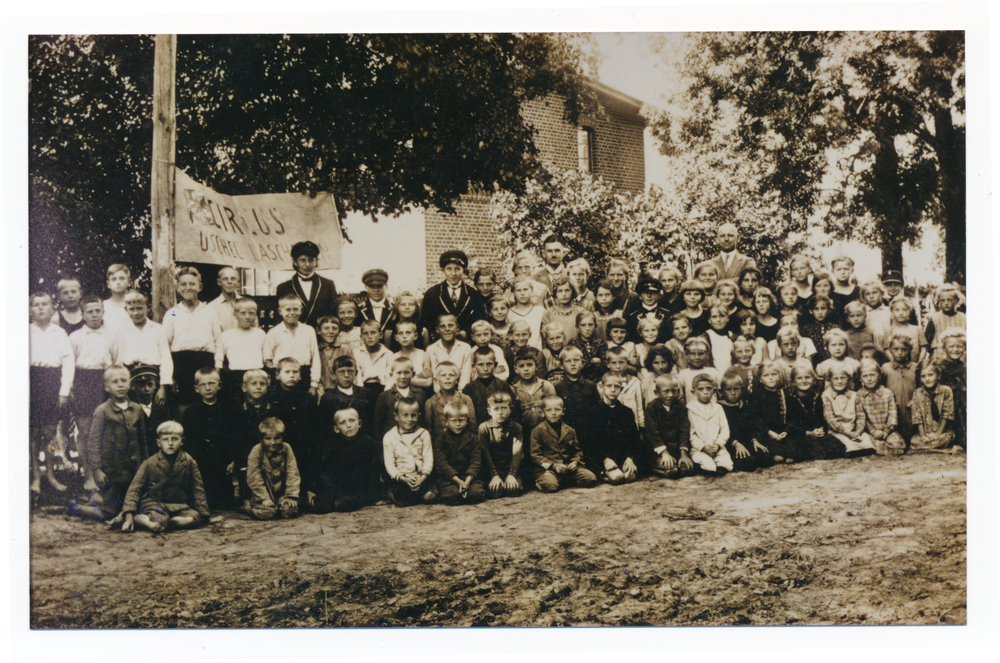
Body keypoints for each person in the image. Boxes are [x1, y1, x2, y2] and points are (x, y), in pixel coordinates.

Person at [73, 365, 148, 519]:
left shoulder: (137, 409)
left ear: (130, 384)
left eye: (124, 380)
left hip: (134, 470)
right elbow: (94, 442)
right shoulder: (102, 411)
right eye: (115, 382)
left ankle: (99, 501)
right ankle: (77, 508)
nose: (120, 385)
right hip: (112, 473)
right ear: (106, 387)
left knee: (137, 507)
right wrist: (97, 470)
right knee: (110, 513)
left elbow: (143, 441)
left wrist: (146, 466)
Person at [110, 420, 209, 533]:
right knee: (159, 522)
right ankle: (141, 520)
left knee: (193, 518)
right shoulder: (149, 463)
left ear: (182, 441)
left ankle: (166, 522)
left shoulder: (189, 461)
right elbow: (134, 490)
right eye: (165, 440)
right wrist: (128, 516)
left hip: (178, 505)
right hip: (153, 503)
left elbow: (198, 489)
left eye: (174, 439)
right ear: (158, 443)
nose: (170, 443)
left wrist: (204, 515)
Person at [29, 292, 75, 493]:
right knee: (33, 433)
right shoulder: (24, 332)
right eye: (36, 305)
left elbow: (68, 362)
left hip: (51, 382)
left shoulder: (59, 333)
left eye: (44, 304)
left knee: (49, 432)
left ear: (52, 309)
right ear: (30, 310)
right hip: (31, 382)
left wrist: (64, 390)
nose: (40, 308)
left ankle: (50, 475)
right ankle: (36, 477)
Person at [69, 296, 119, 464]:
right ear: (82, 315)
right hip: (83, 382)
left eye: (98, 311)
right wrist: (71, 388)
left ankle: (104, 470)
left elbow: (117, 362)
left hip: (105, 381)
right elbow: (69, 365)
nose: (94, 315)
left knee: (105, 428)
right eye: (90, 312)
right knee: (85, 431)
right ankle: (89, 474)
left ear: (103, 312)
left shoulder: (112, 336)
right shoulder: (75, 337)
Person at [163, 267, 223, 406]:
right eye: (183, 284)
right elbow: (165, 345)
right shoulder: (172, 313)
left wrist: (217, 368)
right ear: (177, 288)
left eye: (192, 284)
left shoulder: (210, 312)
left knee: (206, 403)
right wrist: (170, 374)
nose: (188, 288)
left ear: (200, 287)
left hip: (205, 362)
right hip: (180, 364)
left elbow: (218, 342)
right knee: (182, 405)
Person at [310, 408, 383, 513]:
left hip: (360, 487)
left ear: (359, 423)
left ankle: (340, 503)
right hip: (338, 486)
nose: (348, 425)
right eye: (343, 423)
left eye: (352, 420)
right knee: (324, 502)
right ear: (336, 429)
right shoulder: (331, 445)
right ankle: (317, 503)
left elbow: (374, 470)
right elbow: (321, 469)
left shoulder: (369, 443)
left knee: (351, 501)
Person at [180, 368, 230, 509]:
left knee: (226, 502)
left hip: (222, 459)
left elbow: (234, 437)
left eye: (212, 383)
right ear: (196, 388)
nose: (207, 388)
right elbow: (188, 440)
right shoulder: (190, 412)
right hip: (201, 460)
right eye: (203, 385)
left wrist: (232, 459)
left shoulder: (227, 410)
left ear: (219, 385)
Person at [228, 369, 277, 508]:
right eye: (253, 383)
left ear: (267, 388)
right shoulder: (238, 412)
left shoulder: (273, 410)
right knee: (245, 468)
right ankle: (246, 500)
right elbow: (234, 438)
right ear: (244, 388)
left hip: (268, 453)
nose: (258, 386)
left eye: (262, 383)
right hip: (246, 455)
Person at [529, 395, 598, 493]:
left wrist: (574, 462)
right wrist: (553, 466)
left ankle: (566, 480)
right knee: (550, 485)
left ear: (563, 411)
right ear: (543, 413)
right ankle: (543, 483)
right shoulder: (537, 431)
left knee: (590, 478)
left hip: (568, 468)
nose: (553, 413)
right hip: (549, 470)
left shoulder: (570, 430)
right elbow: (535, 455)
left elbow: (578, 452)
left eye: (557, 409)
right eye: (549, 410)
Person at [116, 290, 173, 405]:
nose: (136, 313)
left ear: (148, 308)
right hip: (131, 378)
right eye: (132, 309)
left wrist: (162, 387)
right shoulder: (122, 331)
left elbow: (166, 358)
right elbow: (119, 360)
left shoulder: (158, 329)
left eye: (140, 308)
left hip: (153, 377)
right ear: (126, 309)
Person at [588, 373, 644, 484]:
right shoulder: (593, 412)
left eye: (616, 386)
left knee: (629, 477)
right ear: (601, 387)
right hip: (604, 458)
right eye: (609, 386)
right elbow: (591, 442)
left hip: (622, 457)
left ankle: (621, 468)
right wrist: (605, 459)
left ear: (621, 388)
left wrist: (629, 457)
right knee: (617, 478)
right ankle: (602, 473)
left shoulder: (627, 412)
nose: (613, 390)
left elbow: (633, 438)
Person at [784, 361, 846, 461]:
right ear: (793, 382)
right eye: (799, 378)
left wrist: (820, 429)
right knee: (803, 446)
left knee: (839, 446)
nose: (804, 381)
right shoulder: (790, 399)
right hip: (801, 434)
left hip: (816, 433)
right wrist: (808, 433)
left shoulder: (817, 397)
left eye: (807, 377)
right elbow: (791, 425)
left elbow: (821, 418)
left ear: (814, 380)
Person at [382, 397, 437, 506]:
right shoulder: (390, 436)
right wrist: (403, 478)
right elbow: (390, 465)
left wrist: (423, 477)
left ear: (418, 415)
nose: (410, 419)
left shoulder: (423, 434)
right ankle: (398, 494)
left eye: (413, 415)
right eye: (405, 415)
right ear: (396, 417)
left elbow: (428, 458)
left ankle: (417, 495)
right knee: (402, 497)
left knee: (431, 495)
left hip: (420, 477)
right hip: (402, 478)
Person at [263, 292, 321, 394]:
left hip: (304, 374)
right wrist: (281, 368)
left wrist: (314, 384)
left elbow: (315, 357)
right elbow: (267, 359)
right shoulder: (274, 332)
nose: (292, 313)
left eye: (295, 309)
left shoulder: (309, 330)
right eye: (288, 310)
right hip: (282, 377)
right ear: (280, 311)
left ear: (301, 310)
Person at [214, 296, 266, 407]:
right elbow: (219, 357)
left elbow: (266, 357)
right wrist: (217, 374)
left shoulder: (260, 334)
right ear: (235, 315)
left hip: (257, 376)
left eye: (251, 313)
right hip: (235, 378)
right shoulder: (226, 335)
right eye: (243, 313)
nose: (247, 317)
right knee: (236, 408)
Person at [244, 417, 301, 520]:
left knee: (289, 511)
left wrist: (290, 496)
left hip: (281, 493)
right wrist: (264, 498)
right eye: (268, 438)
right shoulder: (257, 451)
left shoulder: (287, 448)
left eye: (277, 438)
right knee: (266, 514)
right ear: (261, 439)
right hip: (262, 494)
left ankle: (279, 506)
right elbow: (254, 477)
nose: (273, 442)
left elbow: (292, 472)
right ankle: (248, 506)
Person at [275, 240, 339, 329]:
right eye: (302, 260)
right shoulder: (284, 287)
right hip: (294, 334)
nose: (307, 265)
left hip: (321, 335)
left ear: (316, 261)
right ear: (295, 262)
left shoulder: (327, 285)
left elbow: (333, 313)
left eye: (311, 260)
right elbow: (279, 317)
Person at [432, 402, 486, 505]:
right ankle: (458, 492)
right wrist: (458, 480)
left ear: (467, 421)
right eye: (453, 421)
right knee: (452, 496)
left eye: (461, 420)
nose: (457, 424)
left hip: (470, 477)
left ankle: (467, 490)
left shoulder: (474, 439)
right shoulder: (440, 440)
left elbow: (476, 461)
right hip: (450, 479)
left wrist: (468, 480)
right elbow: (442, 464)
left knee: (476, 494)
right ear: (446, 422)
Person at [421, 250, 481, 340]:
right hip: (440, 343)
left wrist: (467, 332)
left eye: (457, 269)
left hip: (466, 342)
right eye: (449, 269)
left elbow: (479, 319)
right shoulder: (432, 293)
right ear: (443, 270)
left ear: (463, 270)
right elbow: (426, 322)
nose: (453, 273)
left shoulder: (473, 294)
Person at [718, 370, 770, 472]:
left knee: (766, 457)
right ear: (722, 392)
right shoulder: (720, 408)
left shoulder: (745, 405)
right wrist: (736, 443)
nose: (733, 393)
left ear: (742, 390)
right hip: (731, 444)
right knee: (749, 463)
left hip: (747, 442)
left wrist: (754, 440)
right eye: (728, 390)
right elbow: (721, 431)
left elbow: (752, 425)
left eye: (736, 389)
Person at [644, 373, 694, 479]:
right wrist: (664, 453)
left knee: (686, 468)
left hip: (676, 450)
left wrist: (683, 454)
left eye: (674, 391)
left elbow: (684, 430)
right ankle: (653, 469)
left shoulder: (680, 406)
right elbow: (653, 433)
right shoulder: (651, 407)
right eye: (666, 391)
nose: (671, 395)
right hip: (658, 451)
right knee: (672, 470)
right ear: (657, 393)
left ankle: (673, 466)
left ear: (678, 392)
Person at [856, 358, 906, 456]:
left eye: (872, 375)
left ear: (879, 375)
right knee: (865, 443)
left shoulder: (887, 393)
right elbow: (861, 418)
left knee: (898, 446)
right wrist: (873, 431)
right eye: (865, 376)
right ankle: (877, 447)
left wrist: (886, 431)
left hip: (887, 431)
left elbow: (893, 415)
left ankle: (880, 448)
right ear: (860, 379)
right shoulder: (859, 395)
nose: (869, 379)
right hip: (870, 432)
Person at [479, 392, 525, 498]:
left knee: (514, 490)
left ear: (511, 409)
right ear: (489, 411)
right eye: (496, 409)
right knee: (495, 492)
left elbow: (517, 453)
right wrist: (494, 475)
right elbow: (484, 453)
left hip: (509, 468)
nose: (500, 412)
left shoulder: (516, 427)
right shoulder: (484, 428)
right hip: (492, 469)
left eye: (504, 408)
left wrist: (511, 474)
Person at [822, 367, 876, 457]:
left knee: (866, 442)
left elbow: (861, 416)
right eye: (836, 378)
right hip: (838, 431)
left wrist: (858, 432)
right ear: (829, 380)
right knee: (847, 445)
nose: (840, 381)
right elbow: (830, 419)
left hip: (854, 431)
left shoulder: (854, 395)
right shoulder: (826, 396)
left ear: (849, 379)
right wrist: (847, 433)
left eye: (843, 378)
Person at [686, 373, 733, 475]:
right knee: (708, 465)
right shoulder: (690, 409)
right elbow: (690, 433)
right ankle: (702, 467)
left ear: (714, 391)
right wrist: (703, 447)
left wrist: (718, 445)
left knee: (727, 464)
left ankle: (719, 468)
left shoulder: (718, 408)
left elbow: (725, 430)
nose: (705, 392)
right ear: (693, 392)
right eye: (701, 389)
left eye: (709, 388)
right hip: (699, 449)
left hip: (716, 447)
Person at [318, 355, 375, 435]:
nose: (346, 375)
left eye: (350, 371)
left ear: (356, 373)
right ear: (333, 375)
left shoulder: (365, 393)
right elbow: (325, 426)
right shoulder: (328, 397)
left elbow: (371, 422)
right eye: (341, 372)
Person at [462, 346, 518, 426]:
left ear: (495, 365)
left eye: (489, 364)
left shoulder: (503, 385)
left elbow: (513, 412)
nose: (485, 368)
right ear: (474, 366)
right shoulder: (469, 388)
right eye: (480, 364)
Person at [374, 357, 428, 436]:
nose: (403, 376)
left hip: (416, 437)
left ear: (413, 374)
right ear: (391, 375)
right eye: (399, 373)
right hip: (393, 440)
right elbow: (378, 425)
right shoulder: (384, 396)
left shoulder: (420, 394)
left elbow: (424, 420)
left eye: (407, 372)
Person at [424, 361, 477, 441]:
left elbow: (472, 426)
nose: (447, 378)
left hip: (463, 443)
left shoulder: (466, 399)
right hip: (440, 445)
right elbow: (429, 430)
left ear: (457, 379)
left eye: (451, 375)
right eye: (443, 375)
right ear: (436, 380)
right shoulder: (430, 402)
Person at [909, 362, 955, 452]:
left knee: (949, 437)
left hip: (941, 432)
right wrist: (923, 436)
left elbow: (947, 414)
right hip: (925, 433)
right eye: (923, 376)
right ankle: (934, 448)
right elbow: (917, 417)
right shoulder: (917, 393)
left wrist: (937, 434)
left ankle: (930, 448)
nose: (927, 379)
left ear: (938, 376)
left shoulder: (946, 390)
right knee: (914, 441)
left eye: (930, 375)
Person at [881, 334, 919, 440]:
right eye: (896, 349)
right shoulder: (885, 368)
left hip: (911, 406)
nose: (899, 352)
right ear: (890, 350)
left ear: (910, 350)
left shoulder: (915, 367)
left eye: (904, 349)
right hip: (892, 408)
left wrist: (915, 400)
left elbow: (921, 387)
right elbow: (881, 388)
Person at [425, 314, 474, 391]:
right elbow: (435, 377)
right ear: (437, 329)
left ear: (457, 328)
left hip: (461, 393)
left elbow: (465, 376)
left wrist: (459, 396)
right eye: (442, 326)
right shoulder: (431, 349)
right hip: (439, 393)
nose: (447, 329)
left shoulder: (465, 348)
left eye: (450, 325)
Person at [605, 346, 643, 431]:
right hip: (611, 428)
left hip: (631, 426)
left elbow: (639, 406)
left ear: (627, 363)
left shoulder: (635, 382)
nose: (618, 366)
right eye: (614, 363)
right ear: (608, 364)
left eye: (621, 362)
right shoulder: (603, 384)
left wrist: (641, 426)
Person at [209, 266, 257, 332]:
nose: (229, 282)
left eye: (233, 278)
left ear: (238, 282)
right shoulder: (211, 307)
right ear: (219, 282)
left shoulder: (248, 304)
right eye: (225, 279)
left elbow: (256, 329)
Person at [354, 318, 393, 399]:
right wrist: (360, 392)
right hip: (363, 388)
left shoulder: (388, 354)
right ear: (361, 337)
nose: (370, 337)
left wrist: (385, 394)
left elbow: (390, 379)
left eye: (373, 332)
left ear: (381, 335)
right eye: (366, 333)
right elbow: (357, 376)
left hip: (382, 388)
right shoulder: (356, 353)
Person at [879, 296, 923, 366]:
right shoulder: (889, 330)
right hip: (895, 366)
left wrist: (919, 364)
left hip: (914, 365)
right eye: (897, 310)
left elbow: (923, 349)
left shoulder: (917, 329)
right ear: (892, 311)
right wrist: (894, 362)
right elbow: (886, 349)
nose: (901, 313)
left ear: (910, 311)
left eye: (904, 310)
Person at [626, 275, 670, 344]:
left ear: (658, 295)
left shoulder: (667, 315)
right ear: (640, 296)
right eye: (645, 292)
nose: (649, 295)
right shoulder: (632, 317)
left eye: (653, 292)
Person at [540, 274, 584, 344]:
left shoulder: (581, 311)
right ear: (555, 293)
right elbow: (545, 336)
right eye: (560, 291)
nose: (564, 294)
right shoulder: (549, 313)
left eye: (567, 290)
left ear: (572, 291)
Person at [924, 283, 967, 353]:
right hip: (939, 354)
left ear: (956, 301)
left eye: (950, 300)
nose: (946, 303)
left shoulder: (963, 318)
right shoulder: (934, 318)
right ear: (938, 301)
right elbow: (927, 341)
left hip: (959, 353)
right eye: (942, 300)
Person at [463, 320, 510, 384]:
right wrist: (493, 371)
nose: (483, 338)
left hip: (495, 384)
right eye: (478, 335)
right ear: (473, 337)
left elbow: (504, 373)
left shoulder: (497, 350)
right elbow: (470, 375)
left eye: (486, 334)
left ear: (491, 334)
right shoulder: (471, 352)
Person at [392, 320, 435, 389]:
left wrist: (402, 379)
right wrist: (417, 377)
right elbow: (391, 380)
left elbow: (428, 382)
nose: (404, 336)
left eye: (408, 332)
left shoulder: (424, 355)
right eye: (401, 333)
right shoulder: (393, 357)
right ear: (396, 338)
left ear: (415, 336)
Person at [568, 311, 607, 383]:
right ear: (577, 327)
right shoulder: (573, 343)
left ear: (595, 326)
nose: (587, 328)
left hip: (599, 380)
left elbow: (605, 364)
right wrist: (592, 361)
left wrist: (585, 363)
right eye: (583, 325)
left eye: (590, 325)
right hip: (579, 380)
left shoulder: (600, 342)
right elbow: (575, 365)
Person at [358, 269, 395, 346]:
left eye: (379, 286)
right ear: (366, 287)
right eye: (372, 286)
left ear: (385, 287)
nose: (376, 290)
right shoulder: (359, 309)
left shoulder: (394, 308)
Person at [677, 337, 719, 404]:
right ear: (687, 355)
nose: (697, 357)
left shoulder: (713, 372)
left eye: (701, 354)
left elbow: (719, 393)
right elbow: (680, 397)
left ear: (706, 354)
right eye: (693, 354)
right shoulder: (683, 374)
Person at [316, 315, 353, 391]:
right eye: (326, 328)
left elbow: (351, 372)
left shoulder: (345, 349)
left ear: (339, 331)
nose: (330, 332)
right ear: (318, 331)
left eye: (334, 328)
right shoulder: (315, 350)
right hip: (320, 390)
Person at [799, 295, 838, 367]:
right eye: (816, 309)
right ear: (811, 311)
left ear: (829, 310)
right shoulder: (806, 330)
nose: (820, 312)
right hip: (815, 365)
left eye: (823, 308)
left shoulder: (835, 328)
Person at [639, 344, 675, 408]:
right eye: (656, 363)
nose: (661, 366)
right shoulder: (646, 382)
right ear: (650, 363)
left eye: (664, 362)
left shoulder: (675, 380)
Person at [829, 256, 861, 327]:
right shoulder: (829, 290)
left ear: (852, 270)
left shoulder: (858, 290)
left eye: (846, 269)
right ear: (833, 271)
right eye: (839, 269)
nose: (843, 272)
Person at [102, 264, 134, 332]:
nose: (118, 282)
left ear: (129, 282)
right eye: (114, 279)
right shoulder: (103, 305)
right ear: (108, 284)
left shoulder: (134, 305)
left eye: (122, 278)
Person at [705, 305, 734, 372]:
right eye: (714, 317)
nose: (718, 320)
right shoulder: (707, 336)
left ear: (728, 318)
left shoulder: (731, 335)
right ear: (709, 320)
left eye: (722, 316)